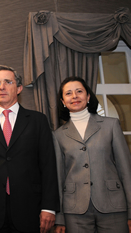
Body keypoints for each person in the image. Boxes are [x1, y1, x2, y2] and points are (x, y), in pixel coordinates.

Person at [0, 65, 60, 233]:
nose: (2, 87)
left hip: (30, 209)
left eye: (8, 82)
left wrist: (49, 207)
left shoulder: (38, 121)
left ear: (19, 88)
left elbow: (48, 167)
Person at [54, 77, 131, 233]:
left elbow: (126, 170)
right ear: (63, 101)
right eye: (68, 93)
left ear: (88, 96)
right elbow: (59, 177)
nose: (74, 96)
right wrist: (60, 217)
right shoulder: (58, 135)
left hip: (113, 205)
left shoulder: (111, 125)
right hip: (74, 210)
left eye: (79, 91)